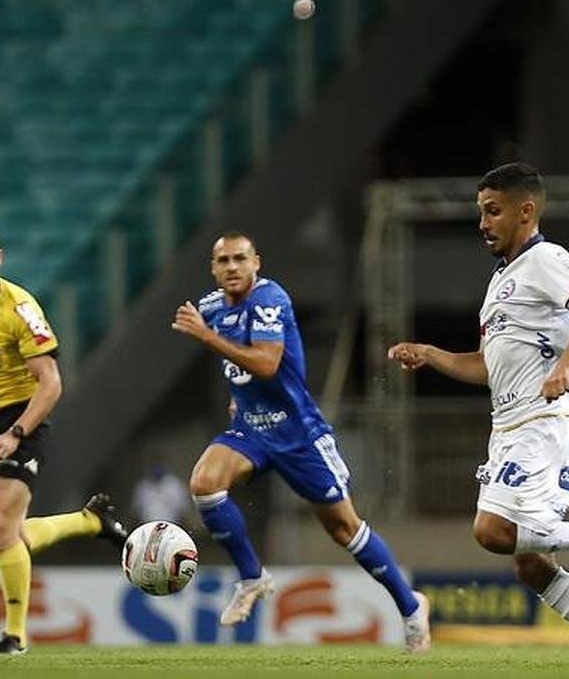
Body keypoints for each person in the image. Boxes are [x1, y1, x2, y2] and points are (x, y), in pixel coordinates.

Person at [387, 162, 569, 672]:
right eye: (480, 213)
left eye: (493, 211)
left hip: (543, 425)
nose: (483, 222)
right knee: (530, 562)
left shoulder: (545, 259)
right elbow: (488, 366)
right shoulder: (502, 282)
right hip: (509, 426)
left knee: (492, 530)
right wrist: (431, 354)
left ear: (526, 211)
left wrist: (565, 365)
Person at [171, 231, 430, 651]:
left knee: (345, 528)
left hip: (297, 434)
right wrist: (239, 400)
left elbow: (269, 363)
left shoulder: (269, 299)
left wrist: (207, 338)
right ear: (213, 268)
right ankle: (252, 577)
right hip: (252, 428)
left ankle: (411, 606)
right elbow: (241, 367)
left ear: (257, 262)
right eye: (223, 261)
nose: (232, 267)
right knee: (204, 483)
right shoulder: (212, 307)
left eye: (240, 259)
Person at [0, 222, 129, 655]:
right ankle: (89, 521)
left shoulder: (21, 309)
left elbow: (52, 382)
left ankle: (15, 634)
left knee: (2, 528)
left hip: (23, 418)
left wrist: (16, 433)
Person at [131, 455, 192, 526]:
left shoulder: (175, 485)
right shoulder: (143, 487)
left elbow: (183, 512)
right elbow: (136, 513)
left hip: (170, 528)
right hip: (148, 528)